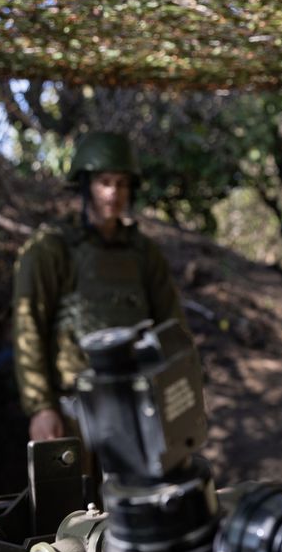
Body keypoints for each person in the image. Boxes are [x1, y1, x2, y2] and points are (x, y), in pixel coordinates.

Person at [11, 130, 190, 443]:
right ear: (85, 185)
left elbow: (172, 327)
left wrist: (180, 394)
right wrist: (41, 407)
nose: (113, 193)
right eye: (104, 182)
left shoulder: (144, 252)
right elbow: (29, 328)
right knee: (79, 492)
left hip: (139, 400)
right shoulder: (51, 248)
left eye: (121, 183)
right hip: (75, 405)